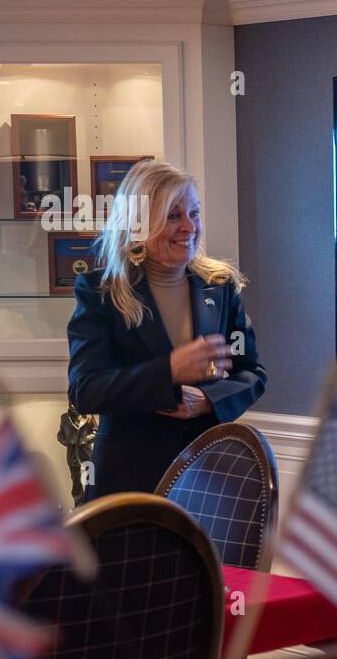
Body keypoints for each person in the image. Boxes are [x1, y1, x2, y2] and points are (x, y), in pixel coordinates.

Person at [67, 160, 267, 499]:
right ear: (138, 223)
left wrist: (207, 400)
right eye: (174, 216)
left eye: (195, 213)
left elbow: (251, 374)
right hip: (128, 482)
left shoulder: (219, 286)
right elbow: (86, 389)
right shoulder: (100, 293)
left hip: (208, 481)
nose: (189, 227)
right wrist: (169, 371)